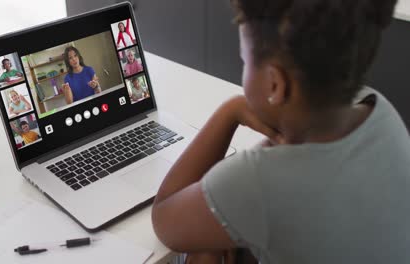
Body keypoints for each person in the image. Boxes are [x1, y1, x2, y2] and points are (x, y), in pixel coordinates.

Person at [151, 0, 410, 264]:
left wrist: (230, 111)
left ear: (275, 84)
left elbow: (163, 218)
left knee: (202, 252)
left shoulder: (258, 179)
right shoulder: (381, 113)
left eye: (244, 60)